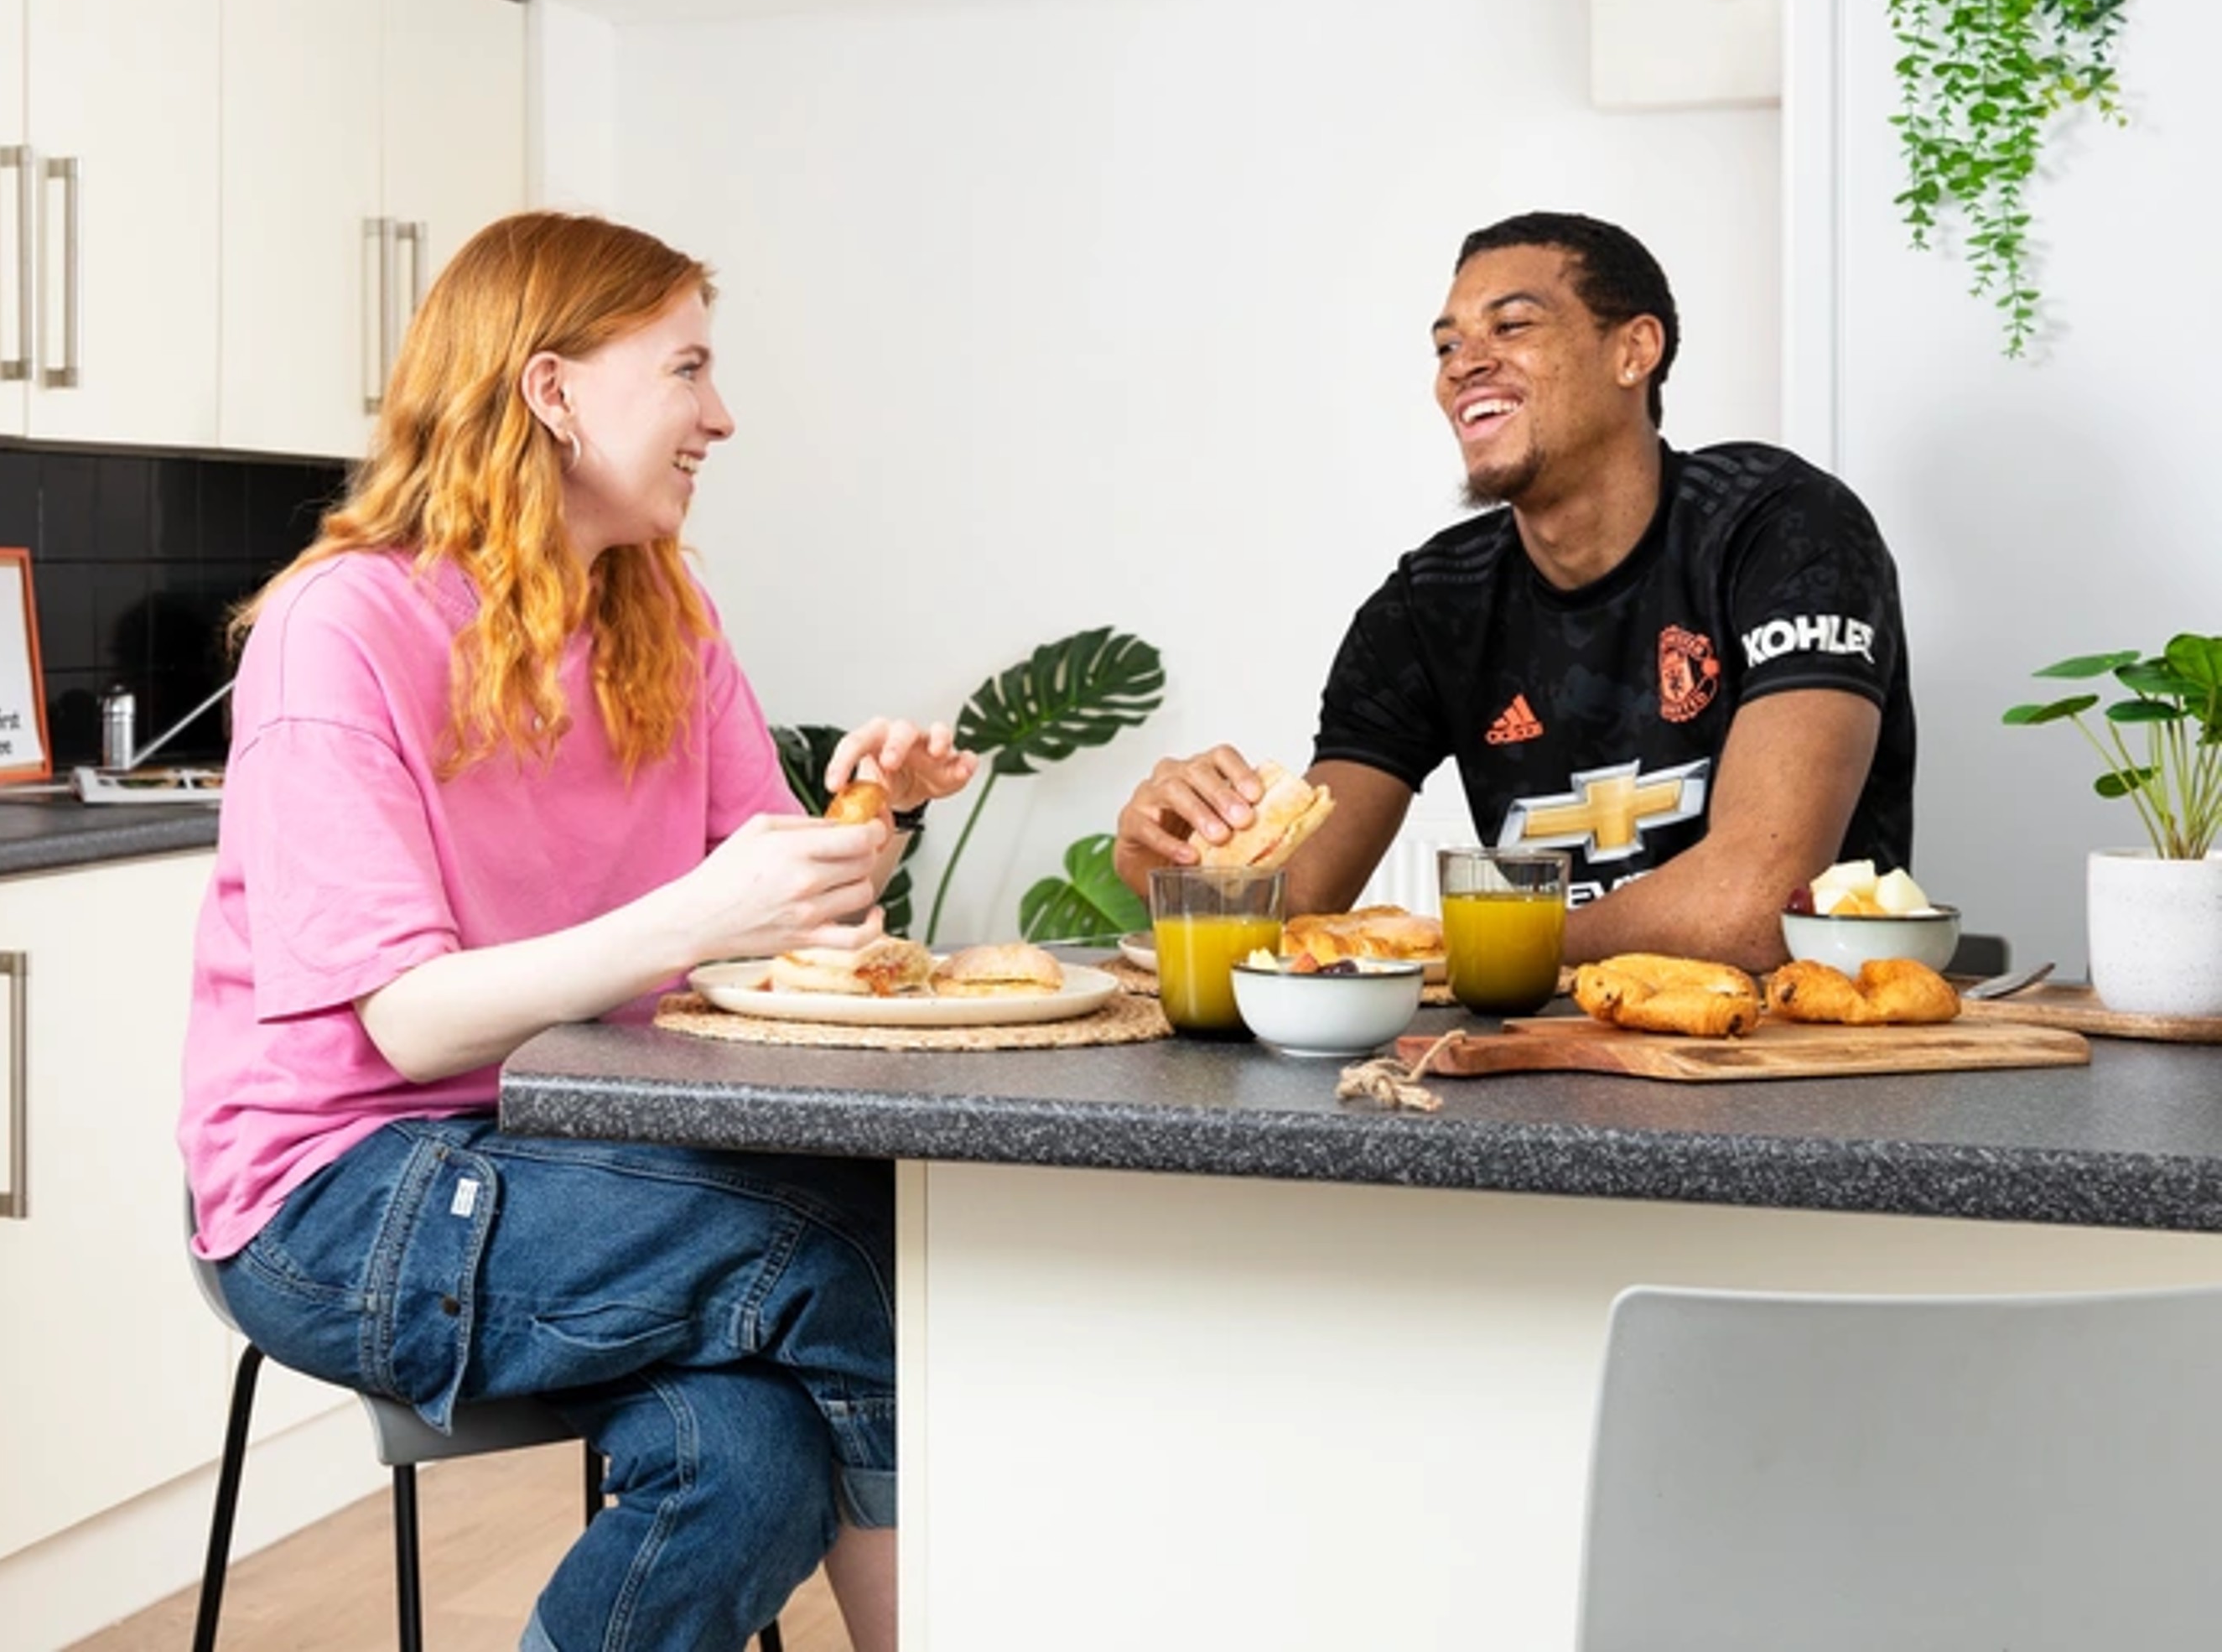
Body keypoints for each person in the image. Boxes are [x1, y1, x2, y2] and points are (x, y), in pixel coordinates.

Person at [182, 209, 973, 1652]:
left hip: (577, 1161)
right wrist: (701, 905)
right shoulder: (341, 626)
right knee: (853, 1245)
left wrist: (870, 818)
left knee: (749, 1459)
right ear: (551, 390)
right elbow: (408, 1020)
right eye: (686, 369)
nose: (720, 416)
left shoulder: (661, 612)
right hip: (343, 1191)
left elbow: (767, 910)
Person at [1114, 211, 1915, 974]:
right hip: (1539, 1055)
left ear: (1634, 350)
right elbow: (1298, 909)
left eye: (1512, 326)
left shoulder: (1784, 525)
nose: (1464, 362)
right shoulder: (1431, 602)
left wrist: (1491, 949)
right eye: (1446, 344)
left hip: (1790, 1065)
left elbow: (1753, 906)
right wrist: (1172, 867)